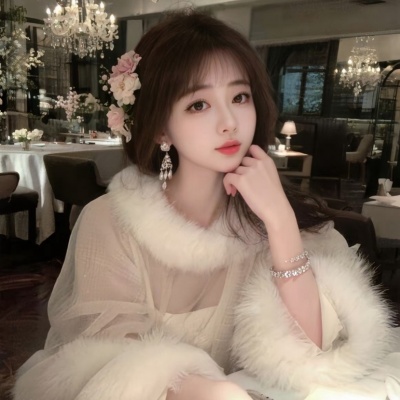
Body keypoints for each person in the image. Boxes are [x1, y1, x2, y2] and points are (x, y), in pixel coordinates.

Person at [13, 9, 399, 400]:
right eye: (198, 104)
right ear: (161, 128)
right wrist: (213, 392)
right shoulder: (112, 222)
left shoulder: (266, 218)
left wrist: (281, 222)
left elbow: (317, 353)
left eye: (239, 97)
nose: (229, 122)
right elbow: (107, 365)